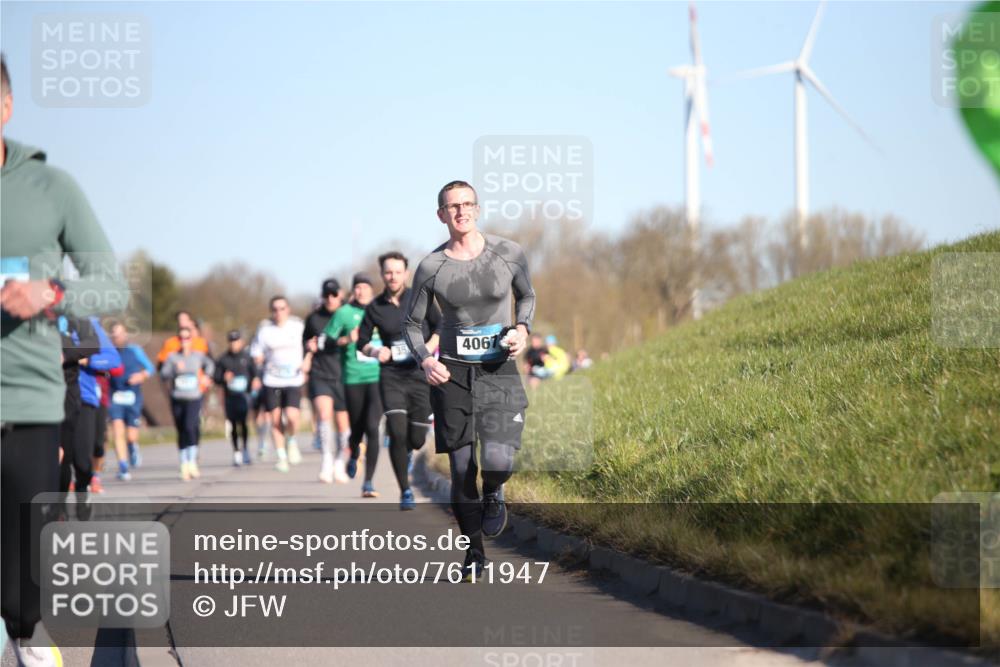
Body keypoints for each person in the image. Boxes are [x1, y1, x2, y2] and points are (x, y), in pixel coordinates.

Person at [0, 52, 128, 665]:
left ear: (6, 107)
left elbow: (112, 285)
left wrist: (48, 294)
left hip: (25, 400)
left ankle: (28, 639)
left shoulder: (50, 189)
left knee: (22, 589)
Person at [403, 180, 535, 580]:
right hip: (453, 372)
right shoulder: (431, 266)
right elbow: (411, 323)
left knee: (496, 461)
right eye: (451, 206)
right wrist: (426, 360)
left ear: (477, 209)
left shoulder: (508, 253)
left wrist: (522, 330)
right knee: (462, 470)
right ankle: (474, 552)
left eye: (466, 204)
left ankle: (494, 491)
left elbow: (526, 296)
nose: (460, 211)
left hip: (498, 367)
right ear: (441, 215)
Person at [358, 251, 440, 510]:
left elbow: (441, 326)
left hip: (419, 374)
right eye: (387, 272)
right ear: (382, 275)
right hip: (391, 375)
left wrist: (427, 348)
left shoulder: (421, 297)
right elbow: (361, 341)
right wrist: (374, 350)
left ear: (406, 273)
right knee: (396, 430)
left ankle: (407, 452)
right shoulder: (375, 307)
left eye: (397, 271)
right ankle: (405, 490)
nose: (392, 276)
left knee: (415, 438)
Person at [323, 274, 383, 497]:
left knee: (373, 427)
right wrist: (346, 340)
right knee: (356, 428)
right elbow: (327, 340)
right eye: (357, 287)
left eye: (365, 287)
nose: (361, 291)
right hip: (352, 377)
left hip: (378, 376)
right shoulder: (343, 313)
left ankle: (368, 482)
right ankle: (354, 452)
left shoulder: (379, 309)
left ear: (371, 289)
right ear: (353, 291)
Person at [61, 316, 121, 498]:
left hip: (84, 397)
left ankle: (83, 486)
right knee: (61, 456)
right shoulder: (37, 319)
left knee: (84, 460)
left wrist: (86, 360)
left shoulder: (86, 323)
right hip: (50, 397)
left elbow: (113, 360)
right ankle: (57, 508)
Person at [303, 279, 351, 483]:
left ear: (340, 294)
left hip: (345, 373)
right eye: (326, 295)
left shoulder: (349, 314)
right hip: (320, 372)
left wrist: (346, 340)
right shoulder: (314, 318)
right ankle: (326, 460)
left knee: (343, 424)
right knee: (324, 414)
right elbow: (305, 343)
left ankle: (340, 461)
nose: (330, 299)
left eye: (333, 294)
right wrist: (308, 350)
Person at [251, 296, 306, 473]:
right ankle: (281, 457)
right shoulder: (265, 331)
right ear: (271, 311)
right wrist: (258, 359)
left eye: (282, 308)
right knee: (275, 419)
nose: (279, 312)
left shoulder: (298, 327)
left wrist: (307, 361)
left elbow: (309, 347)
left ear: (288, 309)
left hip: (293, 379)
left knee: (292, 416)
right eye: (275, 309)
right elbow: (256, 352)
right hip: (272, 380)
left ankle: (291, 439)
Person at [160, 326, 214, 480]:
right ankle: (183, 463)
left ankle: (192, 461)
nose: (184, 341)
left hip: (194, 397)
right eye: (181, 338)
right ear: (178, 340)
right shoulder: (172, 357)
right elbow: (164, 374)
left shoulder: (198, 356)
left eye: (187, 338)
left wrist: (206, 377)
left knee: (191, 427)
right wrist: (174, 369)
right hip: (177, 397)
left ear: (191, 340)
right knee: (181, 429)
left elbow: (210, 365)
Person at [107, 322, 155, 480]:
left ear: (125, 335)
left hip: (133, 396)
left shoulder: (135, 350)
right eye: (114, 335)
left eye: (119, 334)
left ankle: (133, 447)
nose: (117, 337)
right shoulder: (109, 352)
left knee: (131, 436)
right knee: (117, 430)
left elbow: (150, 368)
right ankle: (123, 465)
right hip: (115, 396)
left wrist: (141, 376)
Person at [214, 329, 257, 466]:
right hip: (230, 396)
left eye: (236, 341)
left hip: (244, 396)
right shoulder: (223, 359)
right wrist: (223, 378)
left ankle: (245, 449)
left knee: (243, 423)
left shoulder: (247, 357)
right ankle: (236, 451)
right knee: (233, 424)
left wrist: (254, 382)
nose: (234, 344)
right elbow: (216, 378)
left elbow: (254, 374)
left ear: (241, 342)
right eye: (231, 341)